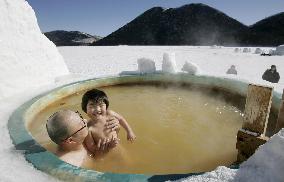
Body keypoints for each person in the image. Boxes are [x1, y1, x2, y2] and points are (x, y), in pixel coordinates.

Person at [46, 109, 120, 166]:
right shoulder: (70, 164)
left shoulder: (80, 137)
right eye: (82, 124)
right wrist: (99, 158)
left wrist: (114, 127)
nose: (85, 120)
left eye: (80, 117)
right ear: (70, 140)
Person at [81, 89, 136, 155]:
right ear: (85, 108)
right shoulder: (88, 128)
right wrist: (109, 146)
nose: (97, 109)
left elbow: (121, 119)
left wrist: (129, 131)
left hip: (118, 148)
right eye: (92, 105)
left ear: (106, 106)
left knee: (128, 161)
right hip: (104, 154)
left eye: (101, 105)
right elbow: (91, 148)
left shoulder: (110, 114)